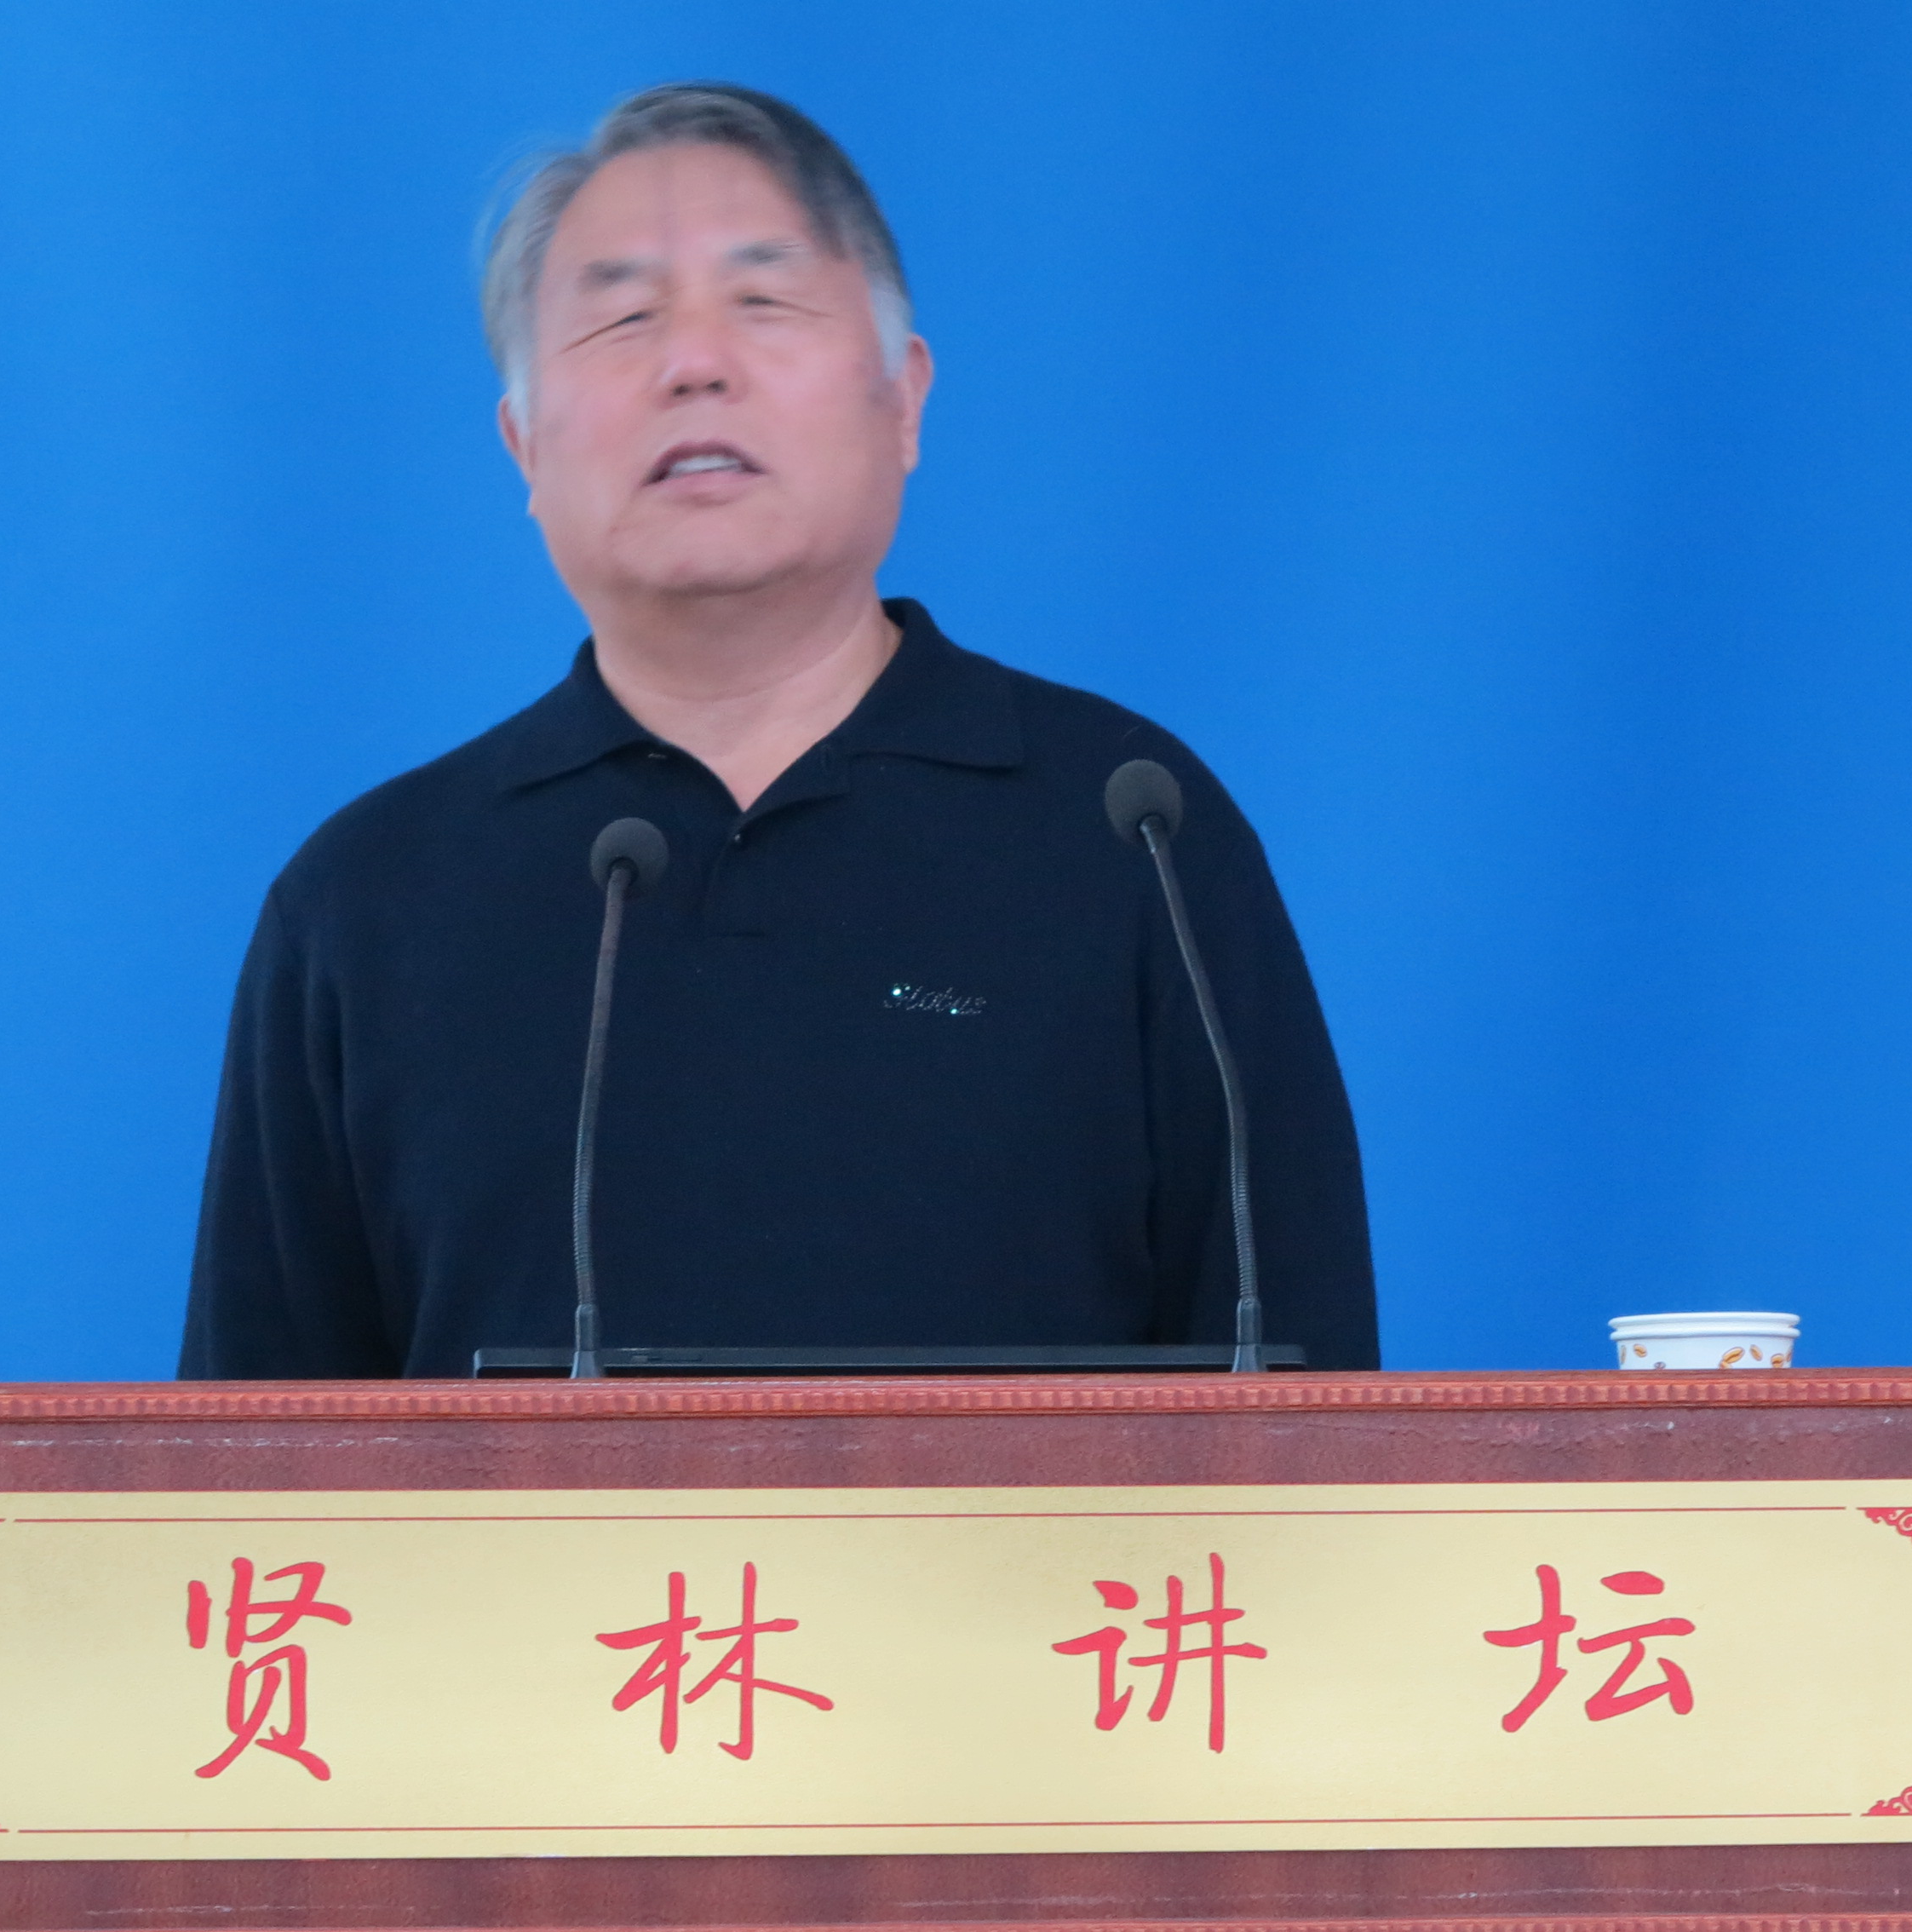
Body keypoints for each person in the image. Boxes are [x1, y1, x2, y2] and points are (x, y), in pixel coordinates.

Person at [179, 82, 1376, 1379]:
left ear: (903, 398)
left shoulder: (1134, 832)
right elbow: (252, 1453)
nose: (694, 363)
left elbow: (1312, 1410)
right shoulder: (369, 899)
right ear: (524, 445)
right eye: (623, 317)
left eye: (762, 299)